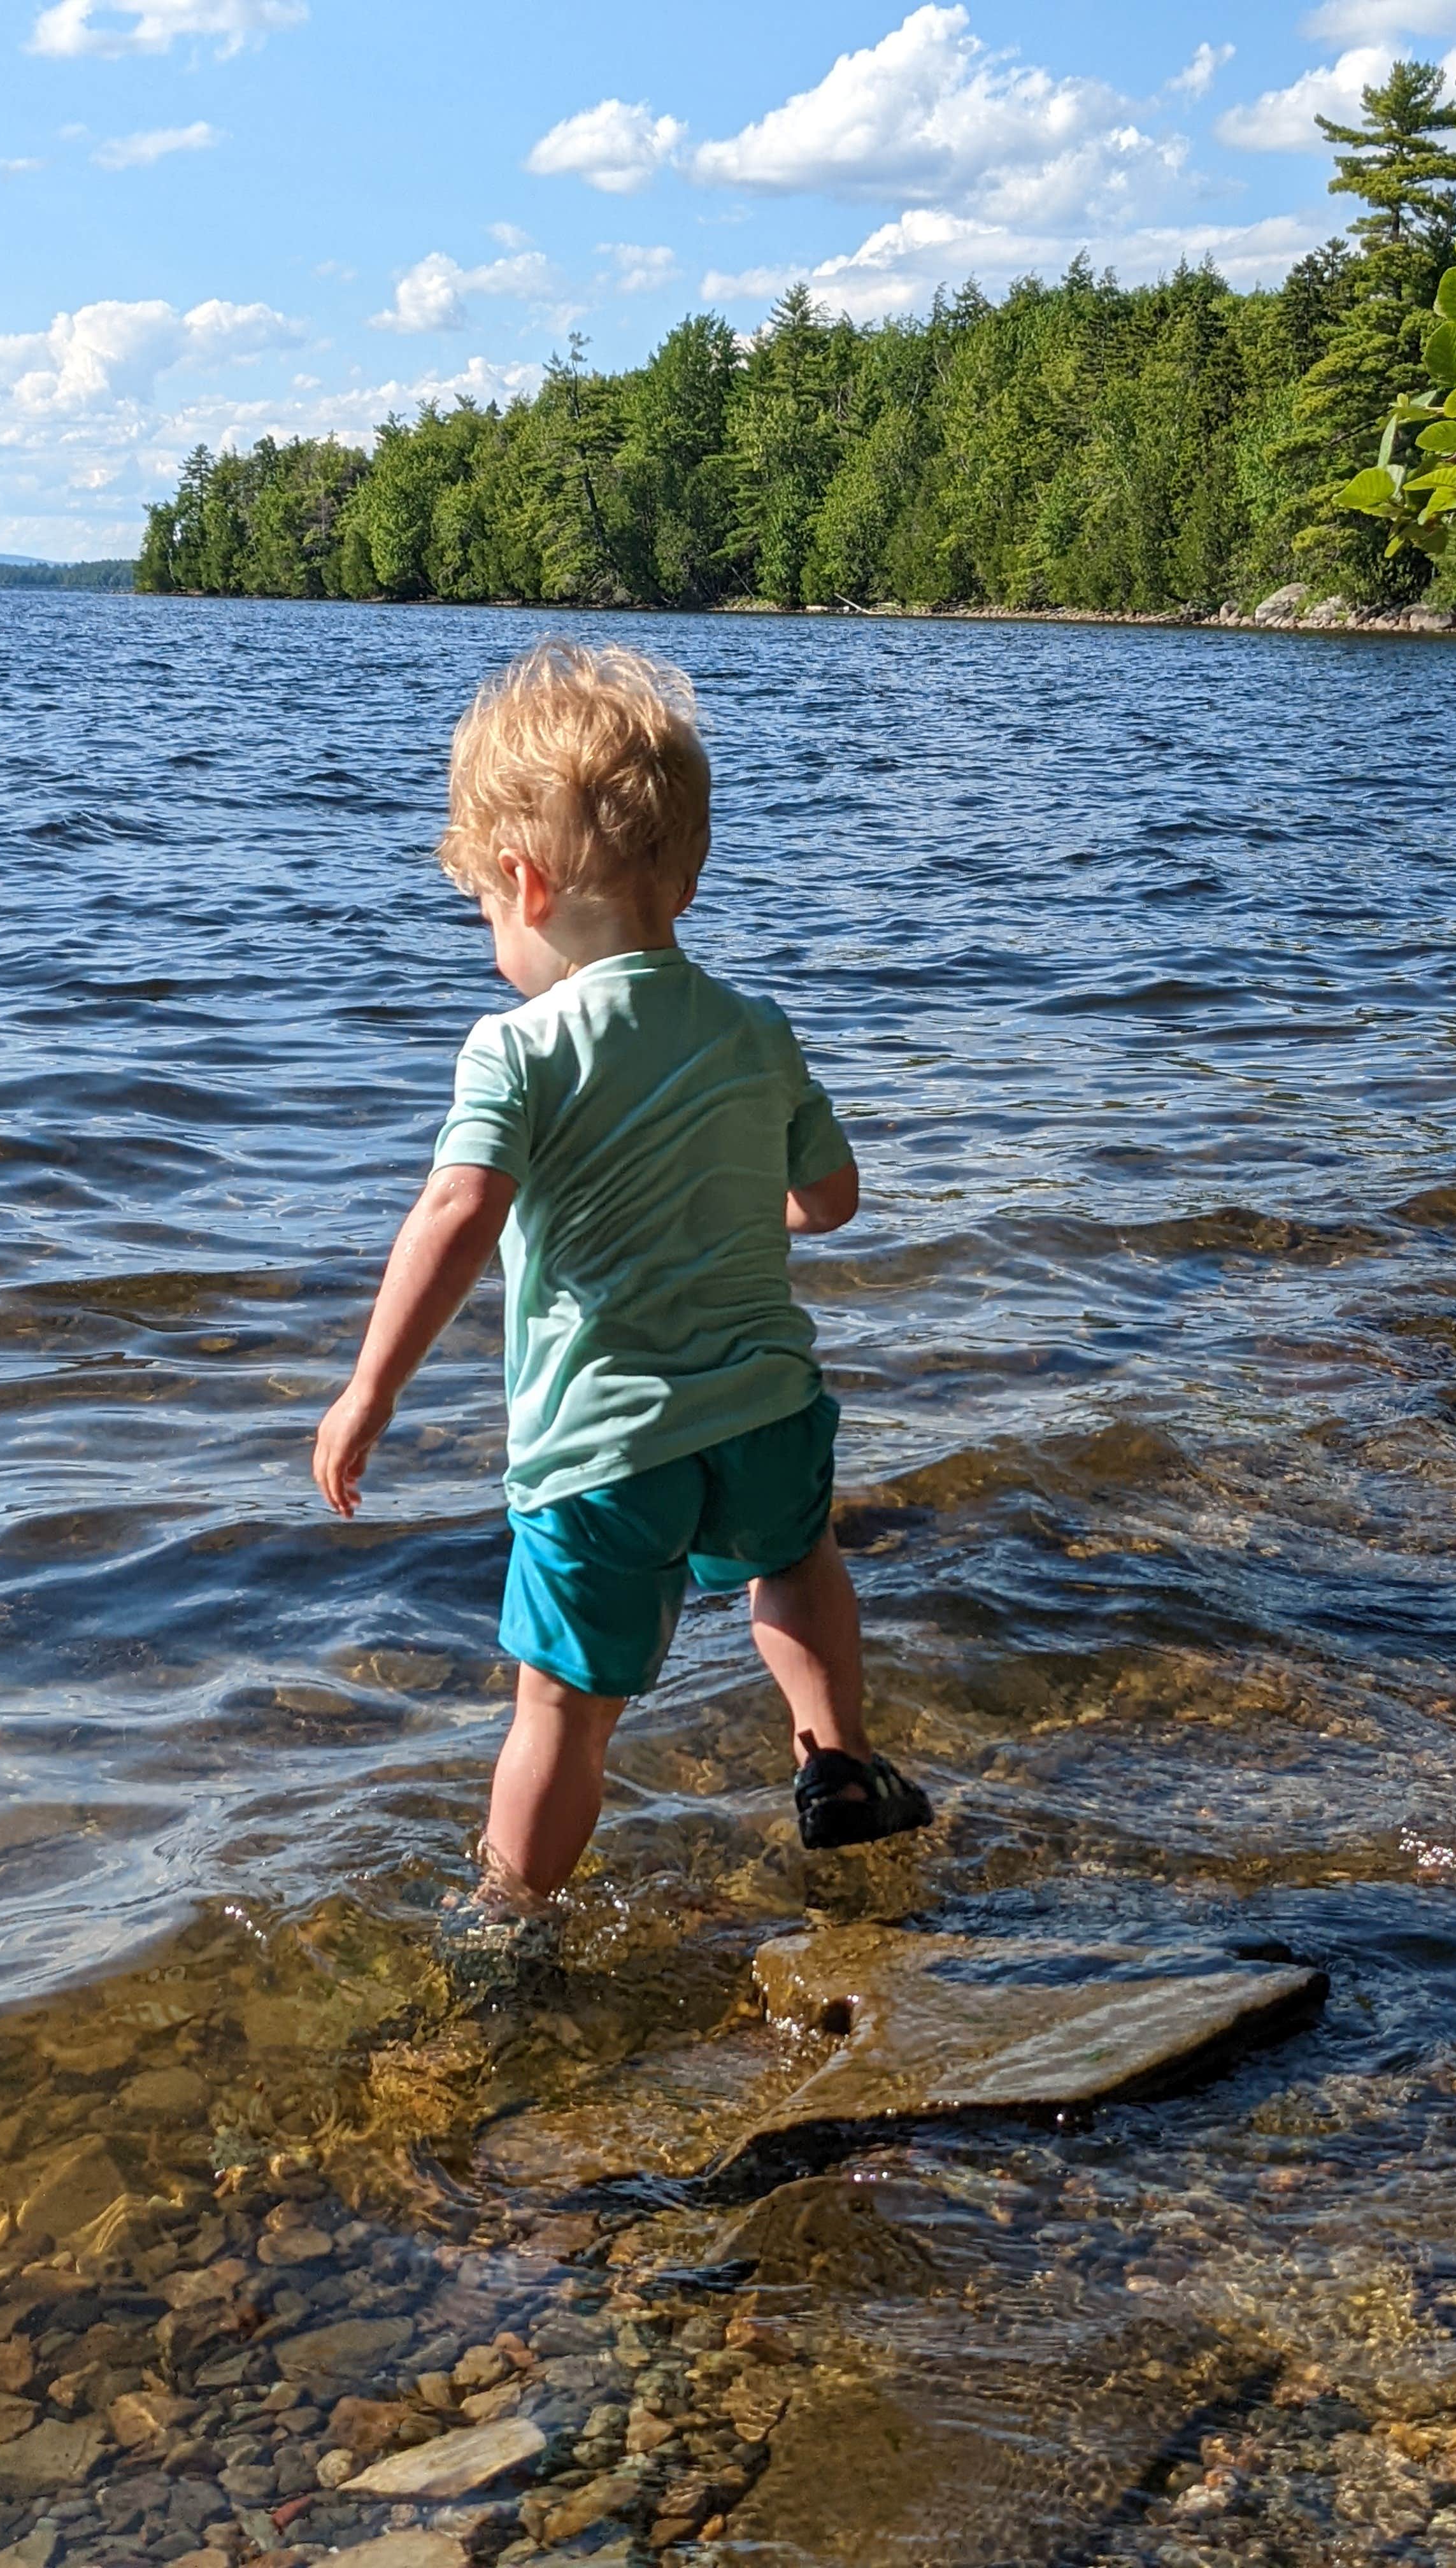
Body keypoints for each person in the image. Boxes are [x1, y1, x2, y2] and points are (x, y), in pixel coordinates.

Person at [312, 639, 932, 1943]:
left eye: (484, 908)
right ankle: (836, 1763)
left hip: (604, 1451)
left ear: (522, 887)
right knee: (797, 1566)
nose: (491, 932)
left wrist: (369, 1391)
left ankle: (507, 1924)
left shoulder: (516, 1048)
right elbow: (831, 1200)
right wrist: (741, 1202)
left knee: (559, 1709)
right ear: (686, 877)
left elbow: (459, 1213)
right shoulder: (755, 1027)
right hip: (764, 1411)